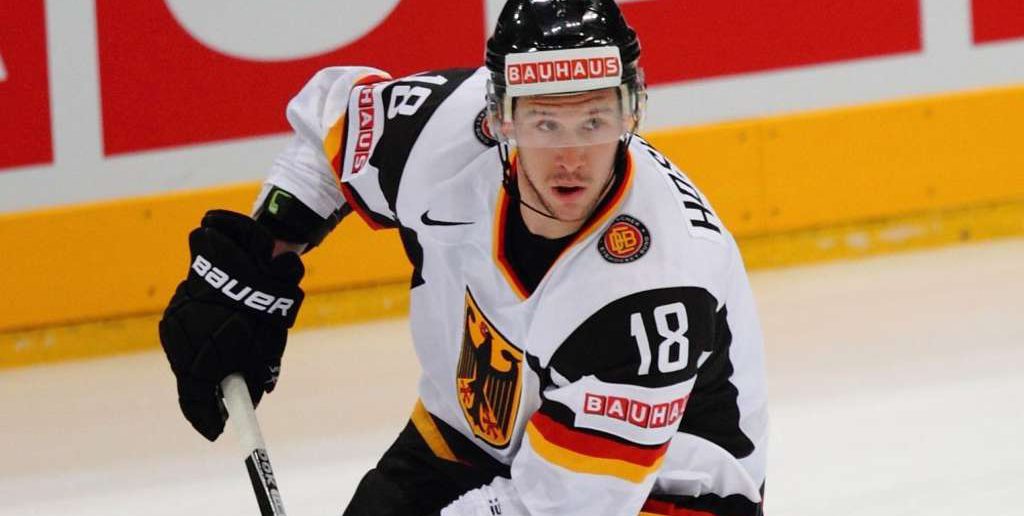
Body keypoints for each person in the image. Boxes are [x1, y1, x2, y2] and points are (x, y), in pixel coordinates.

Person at [158, 1, 768, 514]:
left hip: (661, 494)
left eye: (593, 121)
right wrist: (262, 256)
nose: (572, 159)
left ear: (631, 111)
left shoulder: (655, 293)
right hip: (473, 435)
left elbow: (558, 507)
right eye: (545, 123)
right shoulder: (443, 132)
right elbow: (327, 135)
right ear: (501, 115)